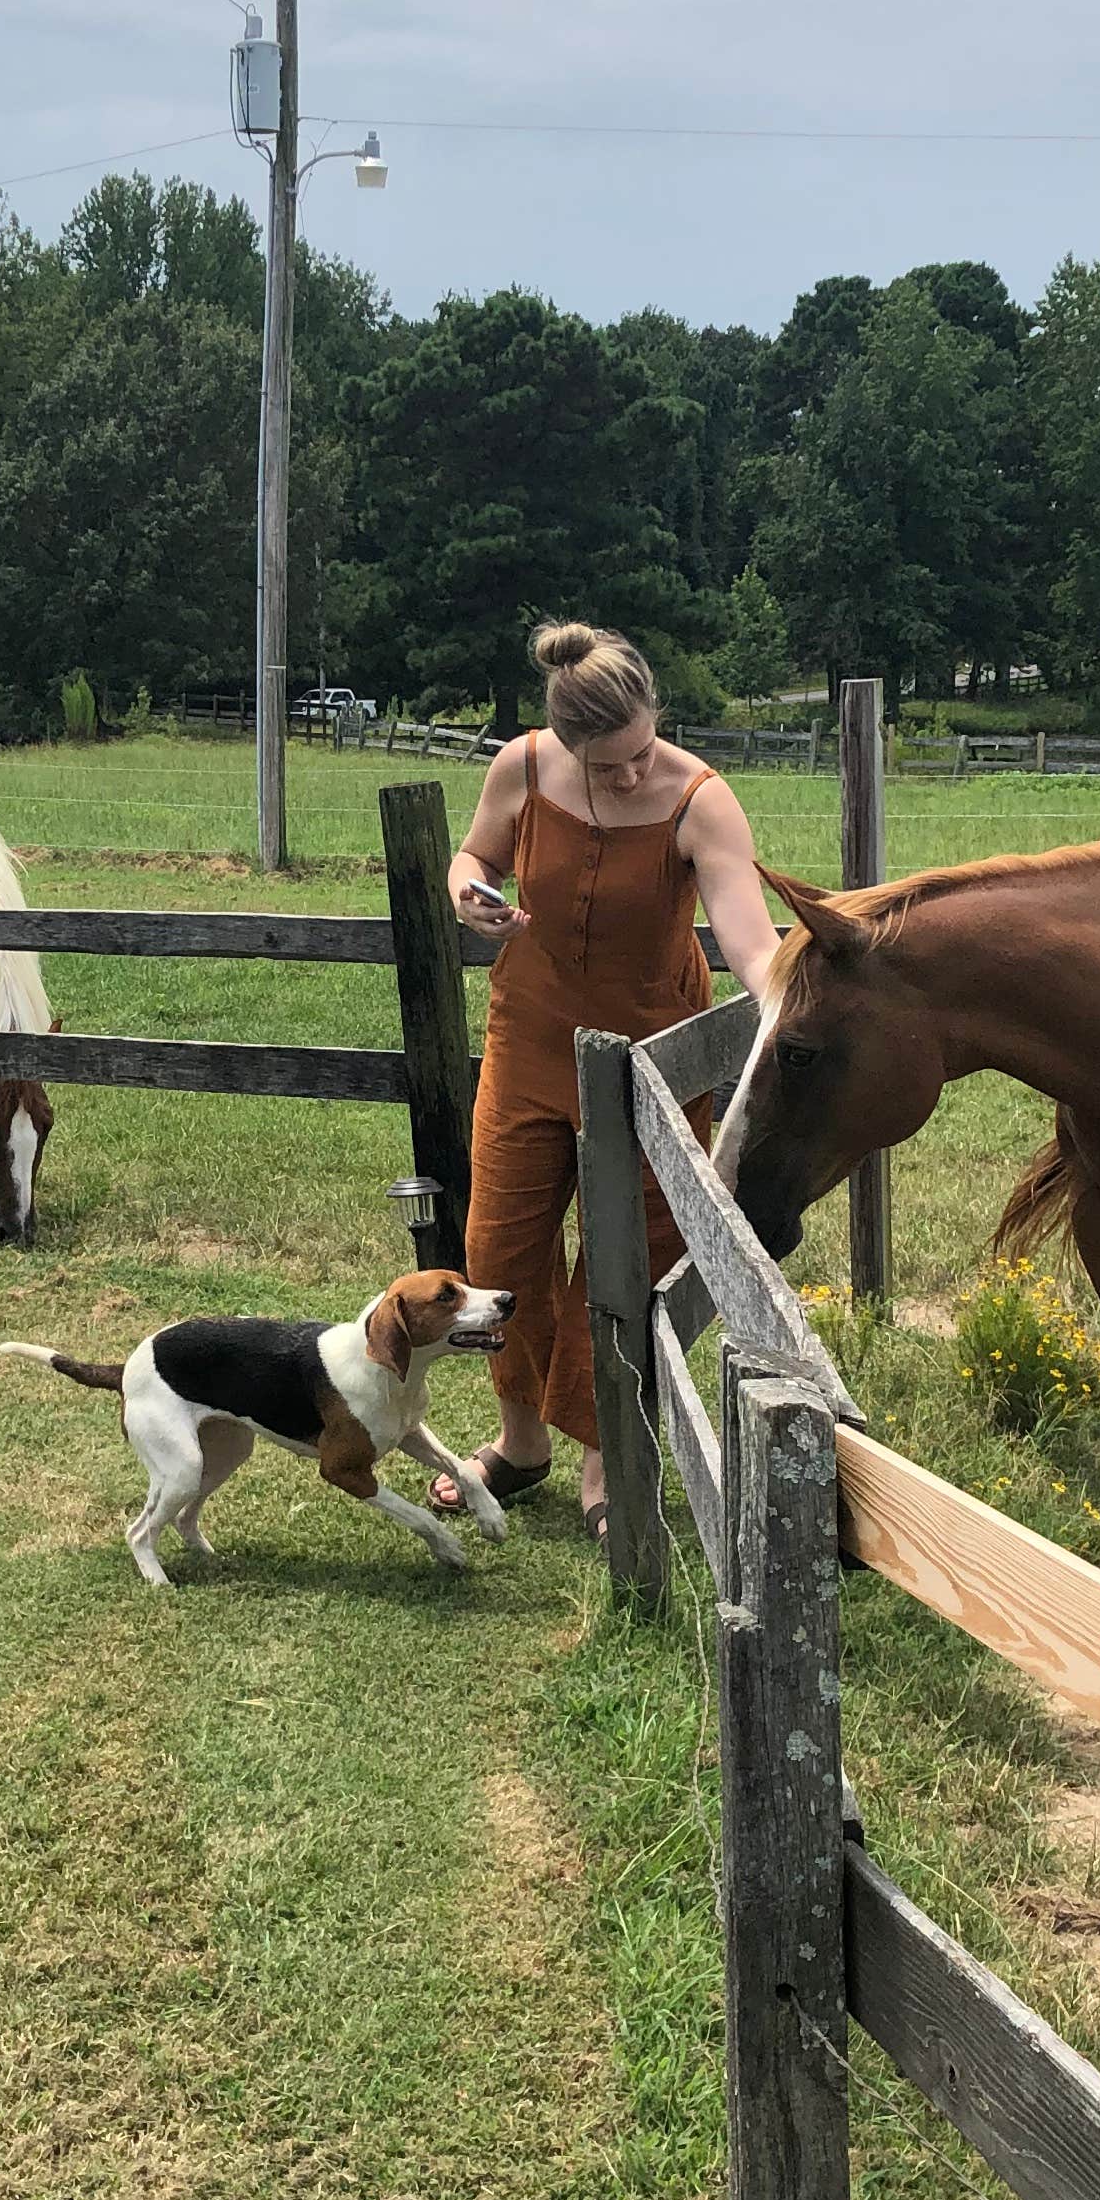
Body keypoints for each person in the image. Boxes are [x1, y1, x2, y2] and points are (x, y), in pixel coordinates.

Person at [441, 620, 785, 1542]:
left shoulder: (702, 801)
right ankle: (521, 1447)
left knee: (624, 1263)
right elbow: (475, 856)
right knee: (499, 1252)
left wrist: (786, 1003)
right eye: (607, 766)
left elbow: (750, 939)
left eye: (642, 751)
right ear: (562, 744)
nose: (632, 774)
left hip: (655, 1066)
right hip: (531, 1044)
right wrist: (466, 891)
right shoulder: (519, 767)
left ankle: (606, 1466)